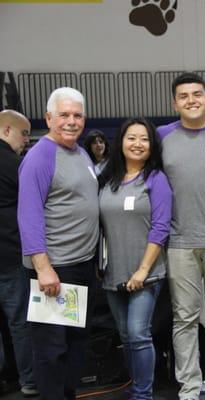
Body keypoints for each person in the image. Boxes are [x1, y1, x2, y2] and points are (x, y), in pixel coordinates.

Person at [157, 72, 205, 400]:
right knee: (184, 319)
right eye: (184, 96)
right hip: (178, 244)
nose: (192, 100)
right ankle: (189, 387)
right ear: (175, 103)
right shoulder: (161, 137)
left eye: (197, 94)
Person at [17, 87, 99, 400]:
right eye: (63, 115)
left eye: (77, 115)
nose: (71, 121)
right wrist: (43, 267)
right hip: (55, 271)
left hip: (82, 266)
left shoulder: (80, 152)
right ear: (48, 118)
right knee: (51, 351)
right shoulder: (40, 157)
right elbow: (29, 215)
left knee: (76, 345)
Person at [98, 117, 172, 400]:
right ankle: (135, 385)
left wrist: (142, 271)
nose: (138, 144)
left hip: (147, 273)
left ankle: (143, 394)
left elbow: (161, 228)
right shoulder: (108, 178)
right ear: (121, 142)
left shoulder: (156, 179)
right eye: (132, 138)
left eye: (144, 139)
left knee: (139, 334)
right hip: (112, 273)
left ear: (152, 146)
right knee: (126, 337)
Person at [0, 110, 37, 397]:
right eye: (24, 133)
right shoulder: (16, 165)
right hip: (11, 255)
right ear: (6, 130)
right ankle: (29, 380)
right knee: (20, 321)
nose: (26, 140)